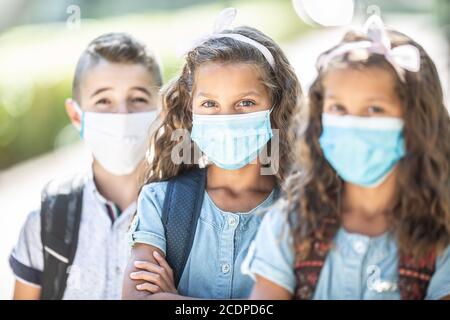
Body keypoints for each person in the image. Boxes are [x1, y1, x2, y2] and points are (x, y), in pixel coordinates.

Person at [243, 15, 450, 300]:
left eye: (374, 110)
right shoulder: (288, 225)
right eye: (338, 108)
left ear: (415, 122)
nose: (352, 124)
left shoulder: (442, 235)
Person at [122, 8, 302, 299]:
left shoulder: (300, 210)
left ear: (275, 107)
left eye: (245, 103)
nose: (226, 118)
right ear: (190, 111)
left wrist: (175, 298)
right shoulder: (161, 203)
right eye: (210, 104)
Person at [9, 32, 163, 300]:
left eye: (138, 98)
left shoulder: (189, 212)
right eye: (103, 101)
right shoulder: (46, 222)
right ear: (76, 116)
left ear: (161, 111)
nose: (122, 116)